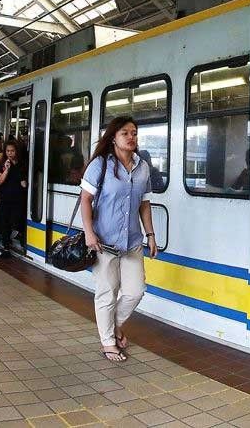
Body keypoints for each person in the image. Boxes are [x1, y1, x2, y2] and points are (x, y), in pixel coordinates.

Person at [80, 116, 158, 362]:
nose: (131, 137)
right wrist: (89, 233)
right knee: (107, 292)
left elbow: (145, 204)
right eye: (125, 133)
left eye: (134, 133)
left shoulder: (143, 167)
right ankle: (107, 343)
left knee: (136, 291)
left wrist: (151, 235)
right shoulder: (100, 165)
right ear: (113, 137)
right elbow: (85, 200)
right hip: (104, 241)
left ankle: (112, 327)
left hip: (132, 241)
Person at [0, 140, 28, 254]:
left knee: (17, 219)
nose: (10, 153)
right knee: (5, 221)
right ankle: (6, 245)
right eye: (8, 151)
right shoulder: (1, 163)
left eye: (12, 151)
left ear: (17, 151)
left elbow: (24, 184)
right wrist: (7, 169)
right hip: (5, 196)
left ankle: (17, 239)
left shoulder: (22, 164)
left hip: (18, 197)